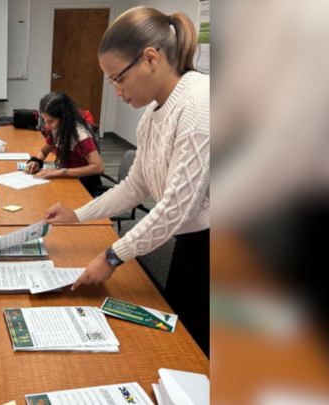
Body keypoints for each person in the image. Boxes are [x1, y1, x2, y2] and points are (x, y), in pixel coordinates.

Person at [43, 7, 210, 356]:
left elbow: (176, 208)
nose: (116, 91)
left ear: (151, 58)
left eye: (118, 78)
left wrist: (113, 255)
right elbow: (135, 186)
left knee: (199, 351)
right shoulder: (151, 116)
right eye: (110, 82)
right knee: (181, 345)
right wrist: (78, 214)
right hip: (190, 241)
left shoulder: (199, 104)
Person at [25, 92, 105, 198]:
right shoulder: (57, 129)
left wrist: (60, 172)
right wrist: (37, 161)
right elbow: (43, 151)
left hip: (85, 187)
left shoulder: (80, 135)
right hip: (69, 180)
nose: (47, 125)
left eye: (50, 121)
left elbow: (98, 167)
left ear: (63, 118)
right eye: (44, 120)